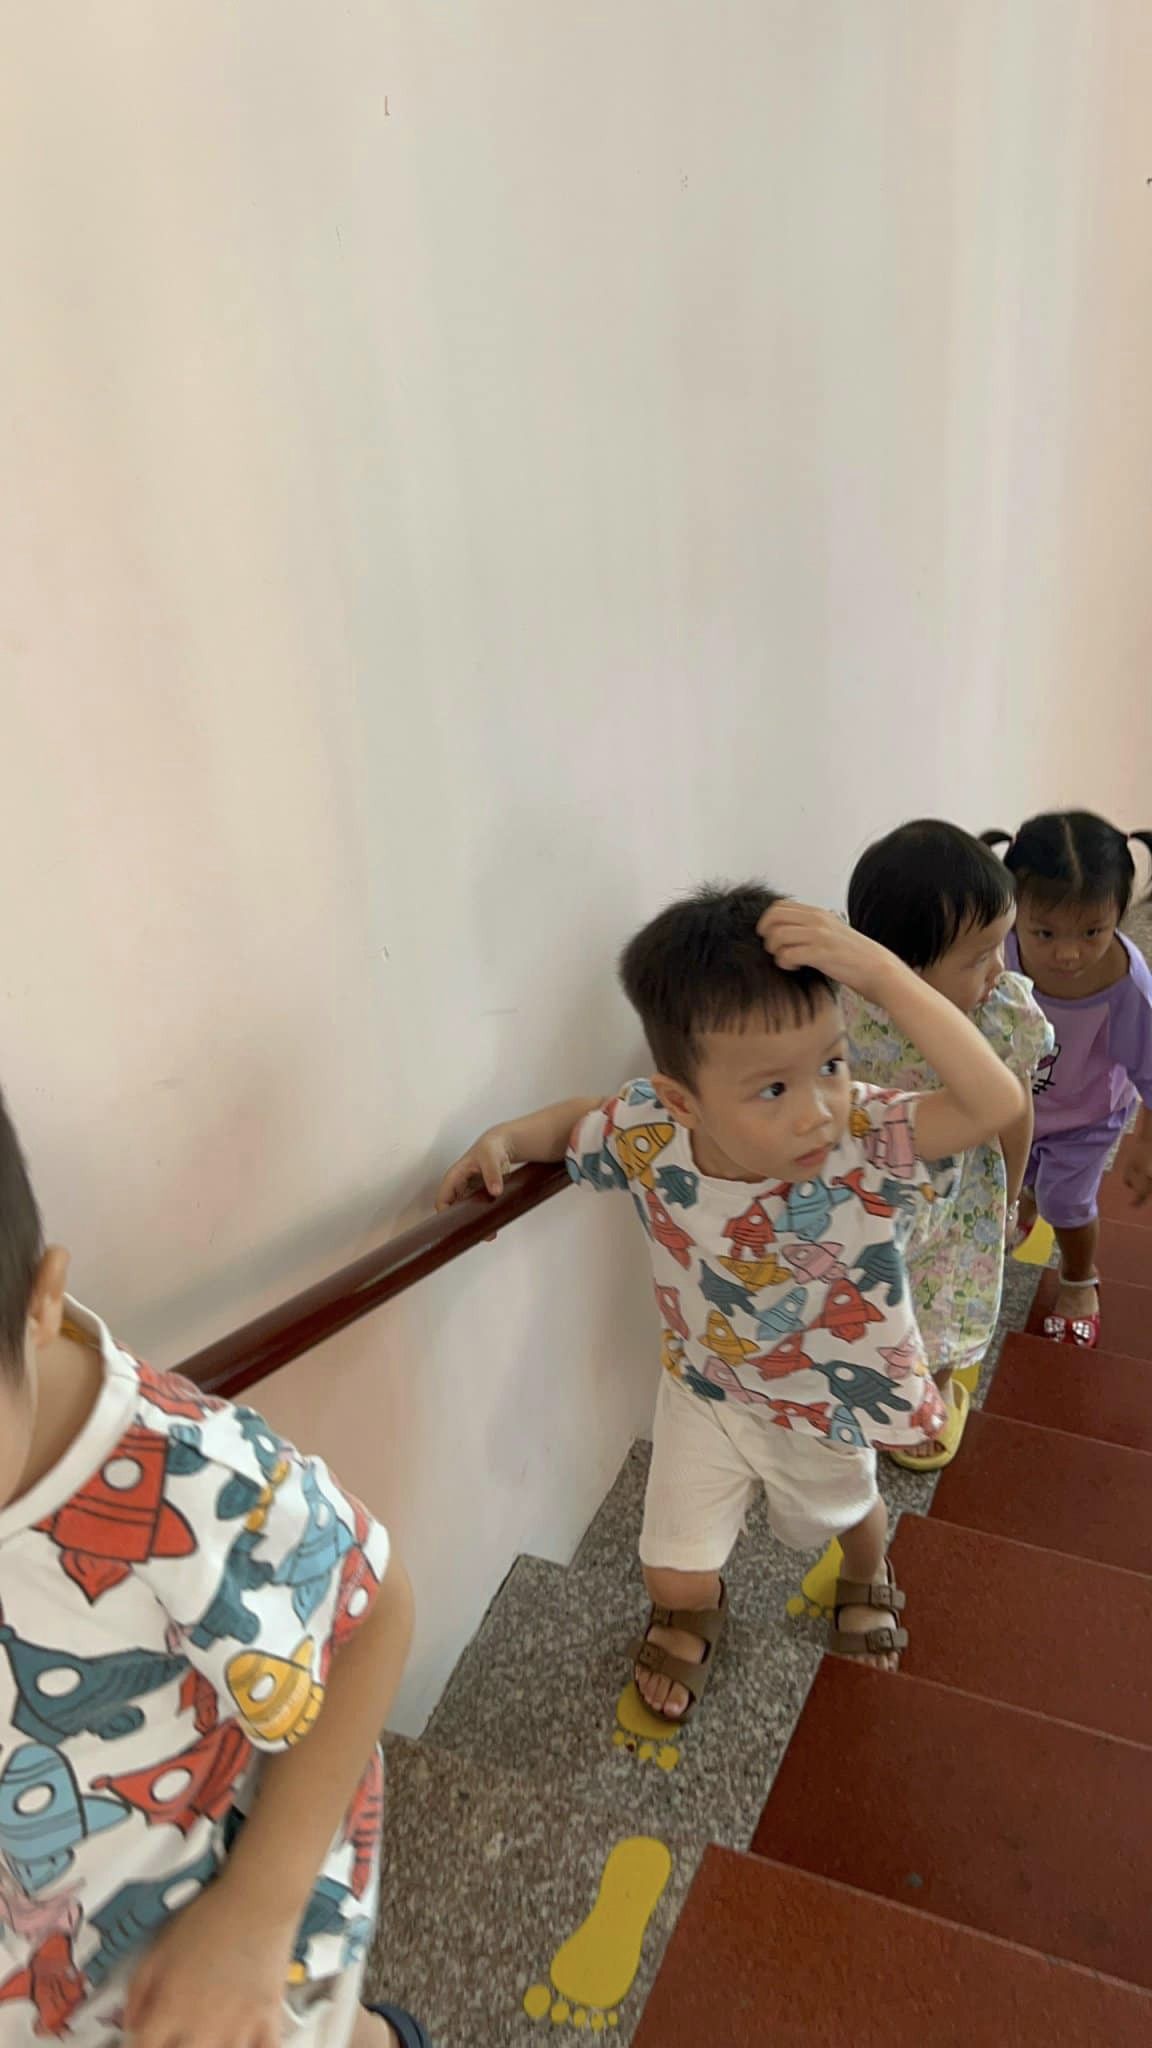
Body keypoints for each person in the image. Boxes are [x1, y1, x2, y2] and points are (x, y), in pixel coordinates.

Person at [438, 886, 1024, 1725]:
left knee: (850, 1513)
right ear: (683, 1101)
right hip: (705, 1388)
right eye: (772, 1088)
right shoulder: (650, 1131)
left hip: (829, 1397)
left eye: (831, 1063)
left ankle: (867, 1571)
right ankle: (689, 1612)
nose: (816, 1110)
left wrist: (880, 974)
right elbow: (576, 1123)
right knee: (669, 1566)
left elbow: (993, 1104)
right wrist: (505, 1140)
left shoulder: (862, 1136)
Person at [0, 1091, 429, 2047]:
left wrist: (259, 1910)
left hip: (212, 1974)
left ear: (38, 1302)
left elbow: (371, 1613)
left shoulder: (189, 1484)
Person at [840, 820, 1052, 1466]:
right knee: (882, 1295)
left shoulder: (998, 1013)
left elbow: (1014, 1112)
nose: (1000, 968)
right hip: (874, 1182)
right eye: (978, 956)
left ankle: (935, 1388)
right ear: (901, 969)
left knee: (948, 1300)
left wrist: (1010, 1195)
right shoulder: (848, 997)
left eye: (1001, 944)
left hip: (961, 1196)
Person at [983, 811, 1152, 1346]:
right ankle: (1028, 1203)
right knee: (1009, 1180)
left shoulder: (1128, 989)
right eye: (1044, 932)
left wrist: (1145, 1143)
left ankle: (1080, 1278)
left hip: (1087, 1118)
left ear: (1120, 914)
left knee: (1068, 1203)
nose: (1068, 952)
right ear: (1014, 908)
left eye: (1093, 931)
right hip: (1013, 1105)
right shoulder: (998, 949)